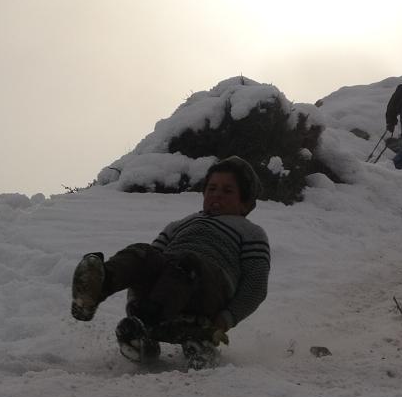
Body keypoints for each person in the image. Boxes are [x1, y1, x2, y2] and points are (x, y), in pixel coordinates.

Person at [69, 156, 271, 369]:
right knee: (142, 252)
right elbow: (151, 261)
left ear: (245, 203)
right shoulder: (181, 224)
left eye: (227, 191)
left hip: (208, 292)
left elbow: (255, 284)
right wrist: (136, 301)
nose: (216, 195)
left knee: (186, 263)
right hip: (167, 284)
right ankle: (96, 287)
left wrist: (225, 319)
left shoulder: (250, 232)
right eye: (211, 189)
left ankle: (149, 328)